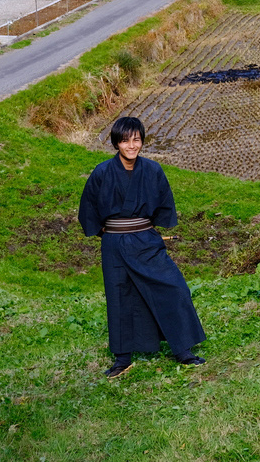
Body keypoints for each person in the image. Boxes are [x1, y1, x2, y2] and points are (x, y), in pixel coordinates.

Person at [79, 116, 206, 377]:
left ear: (142, 141)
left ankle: (182, 349)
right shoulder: (102, 172)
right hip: (114, 244)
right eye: (125, 141)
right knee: (120, 296)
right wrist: (112, 232)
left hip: (146, 241)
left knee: (174, 287)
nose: (131, 146)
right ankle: (122, 358)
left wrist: (144, 229)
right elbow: (88, 210)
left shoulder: (152, 170)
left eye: (136, 140)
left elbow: (163, 205)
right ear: (116, 143)